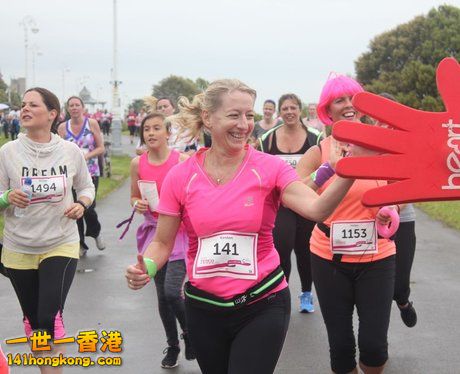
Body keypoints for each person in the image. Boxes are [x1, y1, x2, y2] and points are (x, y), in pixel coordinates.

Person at [125, 79, 357, 374]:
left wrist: (347, 172)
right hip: (203, 307)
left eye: (250, 115)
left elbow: (316, 208)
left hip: (263, 302)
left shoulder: (269, 168)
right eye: (234, 115)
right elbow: (162, 243)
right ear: (208, 118)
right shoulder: (181, 176)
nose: (245, 124)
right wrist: (147, 266)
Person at [297, 75, 399, 374]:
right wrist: (330, 169)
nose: (348, 105)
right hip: (327, 256)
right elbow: (297, 192)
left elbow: (402, 187)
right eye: (338, 100)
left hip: (377, 255)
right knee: (340, 347)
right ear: (328, 110)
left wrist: (391, 208)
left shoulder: (382, 145)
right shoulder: (319, 151)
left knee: (374, 346)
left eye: (352, 98)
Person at [0, 87, 95, 374]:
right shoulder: (8, 152)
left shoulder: (69, 151)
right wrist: (7, 198)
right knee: (33, 320)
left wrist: (81, 205)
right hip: (19, 246)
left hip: (61, 242)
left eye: (33, 105)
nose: (25, 109)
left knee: (48, 316)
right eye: (23, 105)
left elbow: (87, 186)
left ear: (52, 114)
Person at [128, 112, 194, 368]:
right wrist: (139, 203)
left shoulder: (182, 161)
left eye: (157, 128)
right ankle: (173, 345)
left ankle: (190, 332)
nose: (151, 133)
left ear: (168, 133)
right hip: (154, 234)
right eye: (147, 129)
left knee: (172, 291)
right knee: (161, 296)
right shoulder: (137, 164)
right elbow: (133, 197)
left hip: (179, 234)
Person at [259, 93, 322, 313]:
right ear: (279, 112)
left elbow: (324, 168)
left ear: (300, 110)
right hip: (281, 205)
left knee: (305, 252)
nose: (289, 112)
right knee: (281, 250)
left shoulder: (315, 138)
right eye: (284, 108)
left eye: (293, 108)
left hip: (306, 203)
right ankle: (280, 293)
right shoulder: (267, 139)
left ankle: (306, 293)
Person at [377, 92, 417, 328]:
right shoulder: (365, 140)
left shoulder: (408, 140)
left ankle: (403, 302)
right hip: (368, 219)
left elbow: (415, 181)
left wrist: (395, 207)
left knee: (399, 284)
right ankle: (378, 340)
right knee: (375, 286)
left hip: (401, 217)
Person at [57, 96, 105, 256]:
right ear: (68, 109)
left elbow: (101, 148)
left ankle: (95, 231)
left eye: (77, 105)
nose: (74, 108)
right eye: (71, 105)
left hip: (90, 171)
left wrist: (86, 156)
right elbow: (58, 150)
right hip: (70, 174)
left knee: (88, 207)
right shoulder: (63, 128)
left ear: (83, 108)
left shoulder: (91, 124)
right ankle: (80, 244)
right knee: (74, 208)